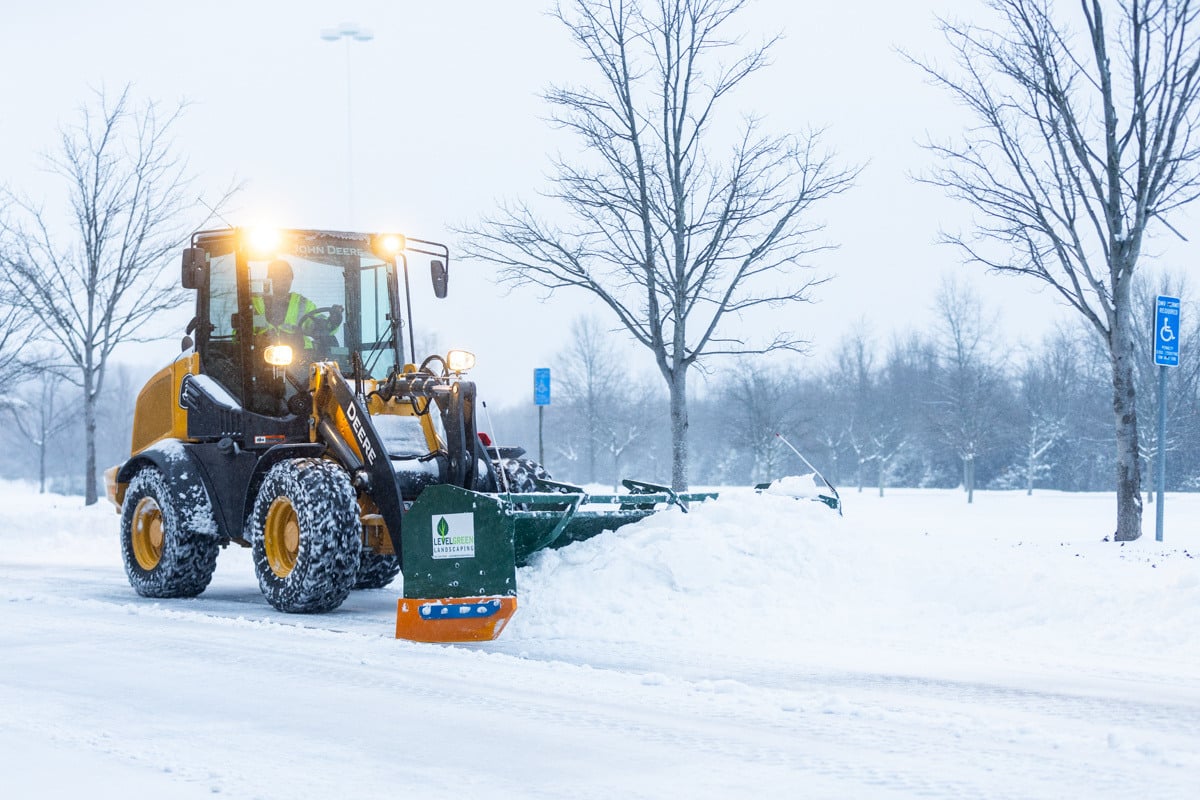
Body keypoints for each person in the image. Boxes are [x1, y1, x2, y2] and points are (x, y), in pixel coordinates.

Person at [251, 259, 342, 354]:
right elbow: (242, 334)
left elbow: (317, 326)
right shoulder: (253, 304)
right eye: (280, 275)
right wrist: (257, 340)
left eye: (288, 276)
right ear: (269, 278)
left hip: (300, 357)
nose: (285, 279)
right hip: (259, 357)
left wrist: (332, 322)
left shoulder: (302, 303)